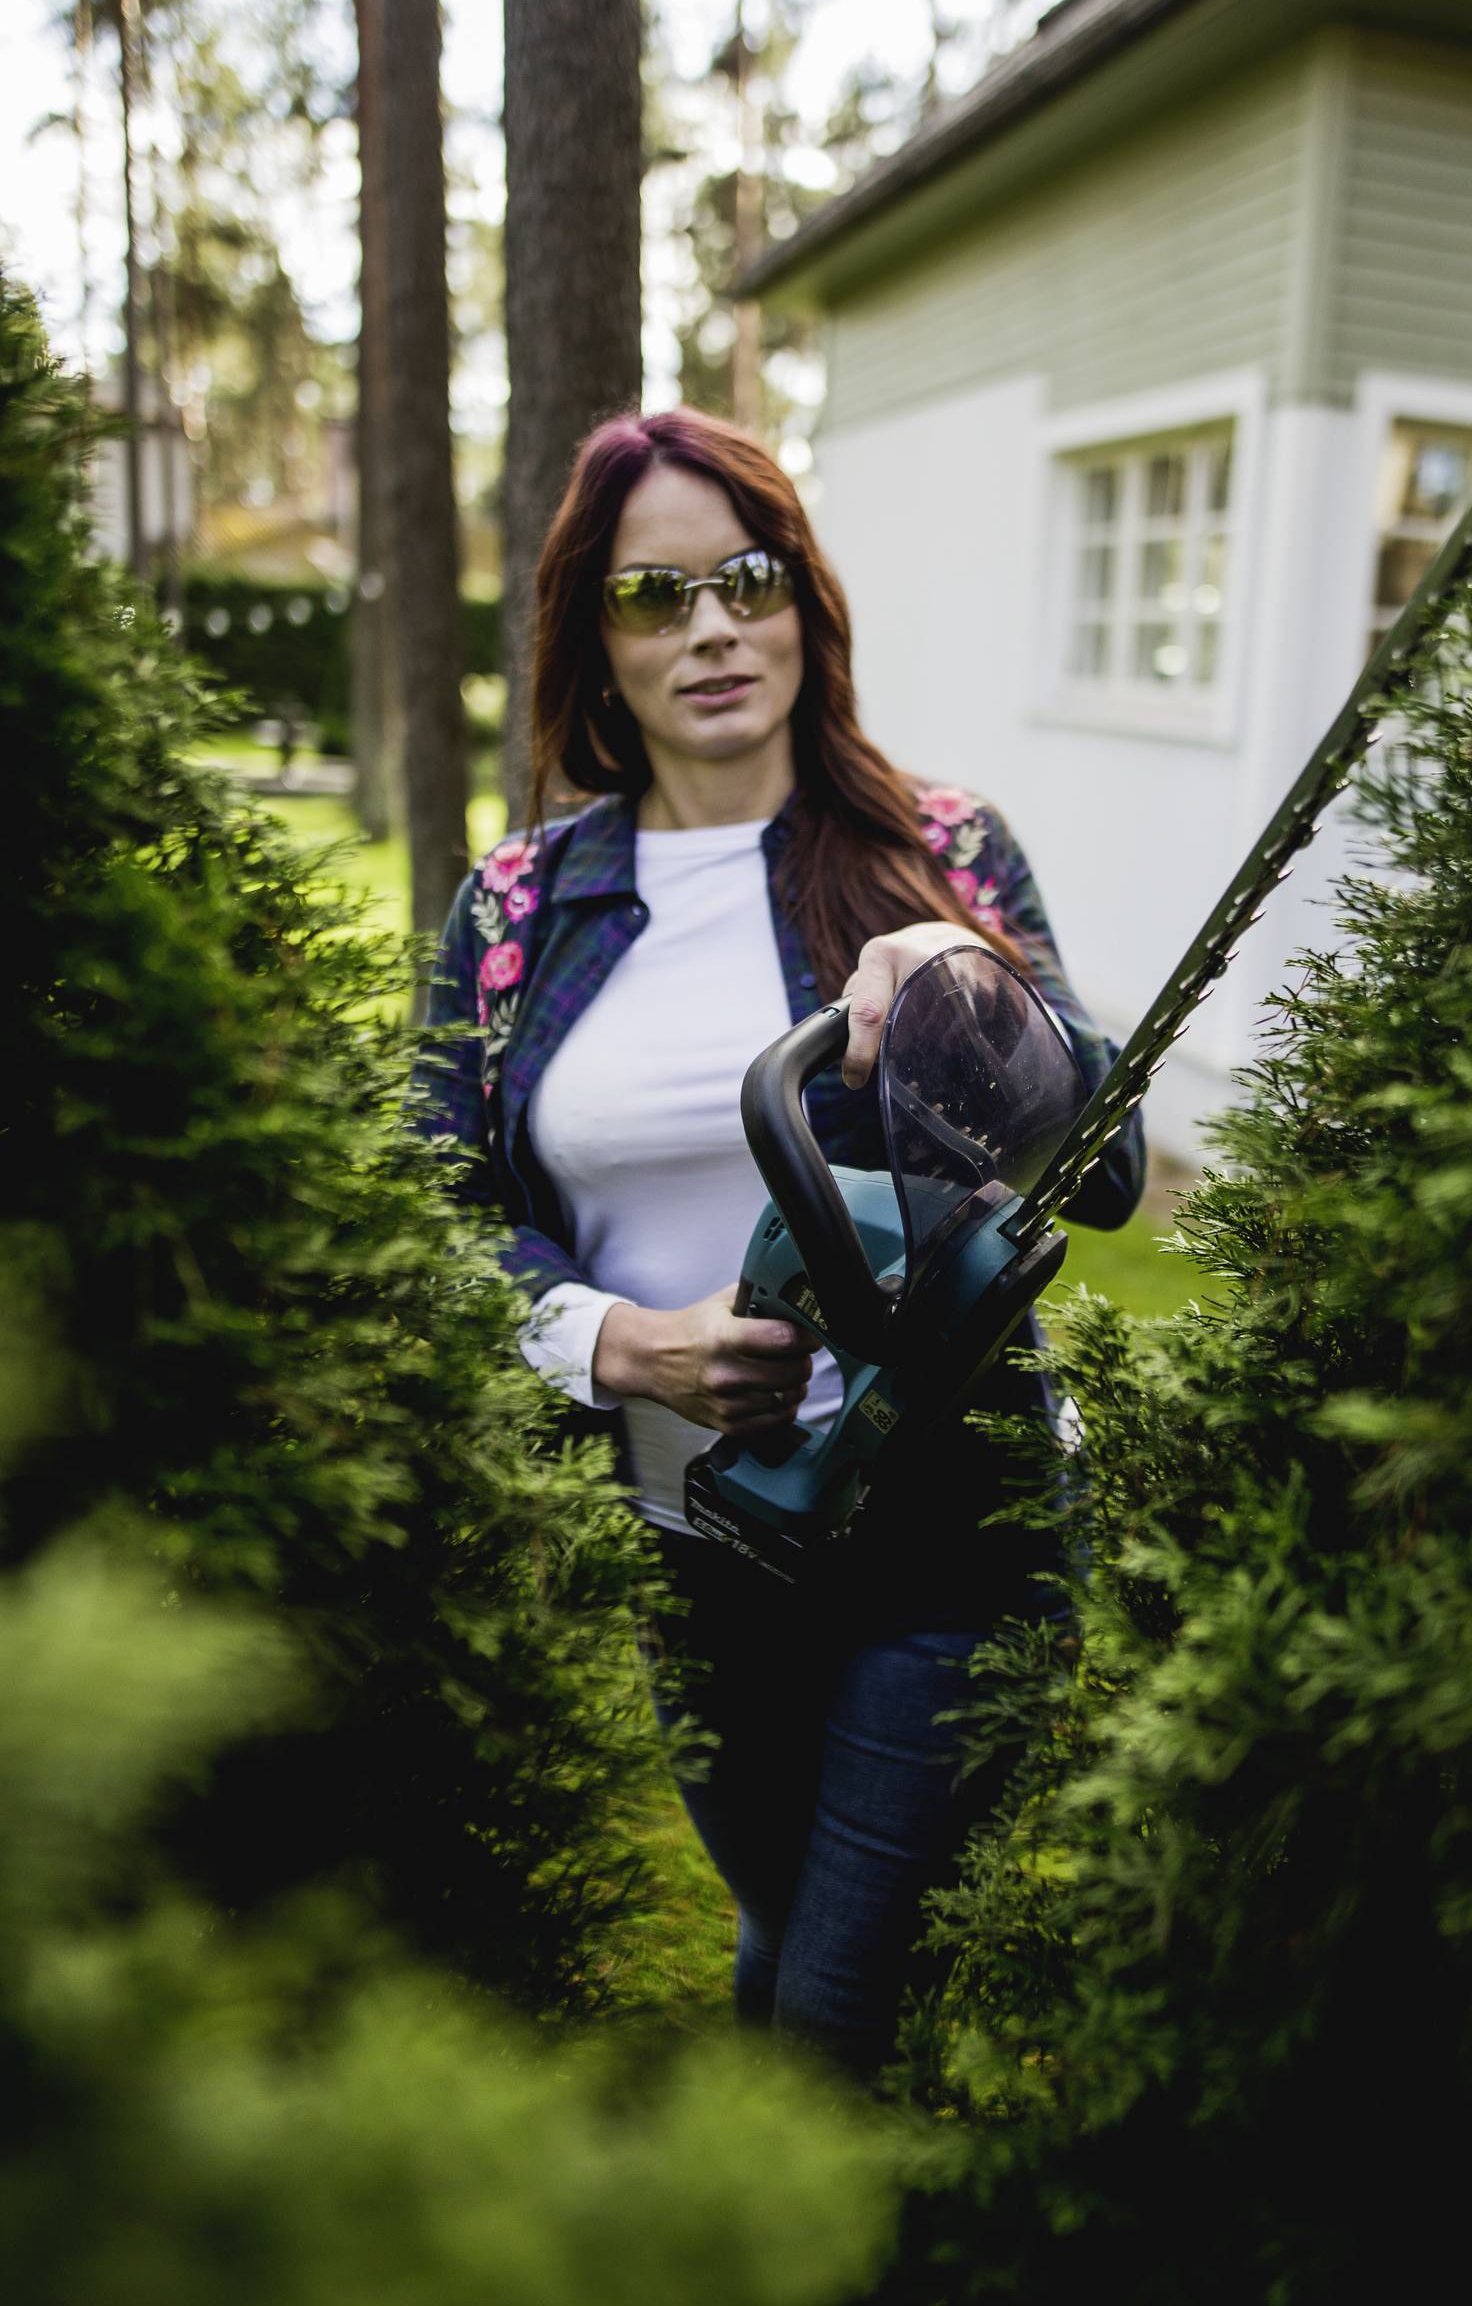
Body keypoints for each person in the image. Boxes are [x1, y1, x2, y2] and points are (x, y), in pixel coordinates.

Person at [412, 407, 1144, 2076]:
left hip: (952, 1520)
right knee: (769, 1929)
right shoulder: (518, 909)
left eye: (744, 579)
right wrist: (619, 1341)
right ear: (590, 642)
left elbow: (1099, 1169)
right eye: (650, 595)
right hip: (690, 1533)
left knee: (832, 2012)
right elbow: (425, 1219)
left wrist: (966, 979)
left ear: (805, 601)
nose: (712, 628)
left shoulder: (939, 849)